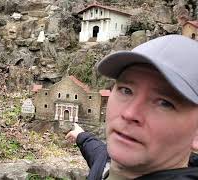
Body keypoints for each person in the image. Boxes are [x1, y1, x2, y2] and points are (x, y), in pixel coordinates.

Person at [66, 34, 198, 180]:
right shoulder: (106, 165)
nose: (129, 113)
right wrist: (81, 136)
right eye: (126, 90)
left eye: (165, 103)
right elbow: (99, 153)